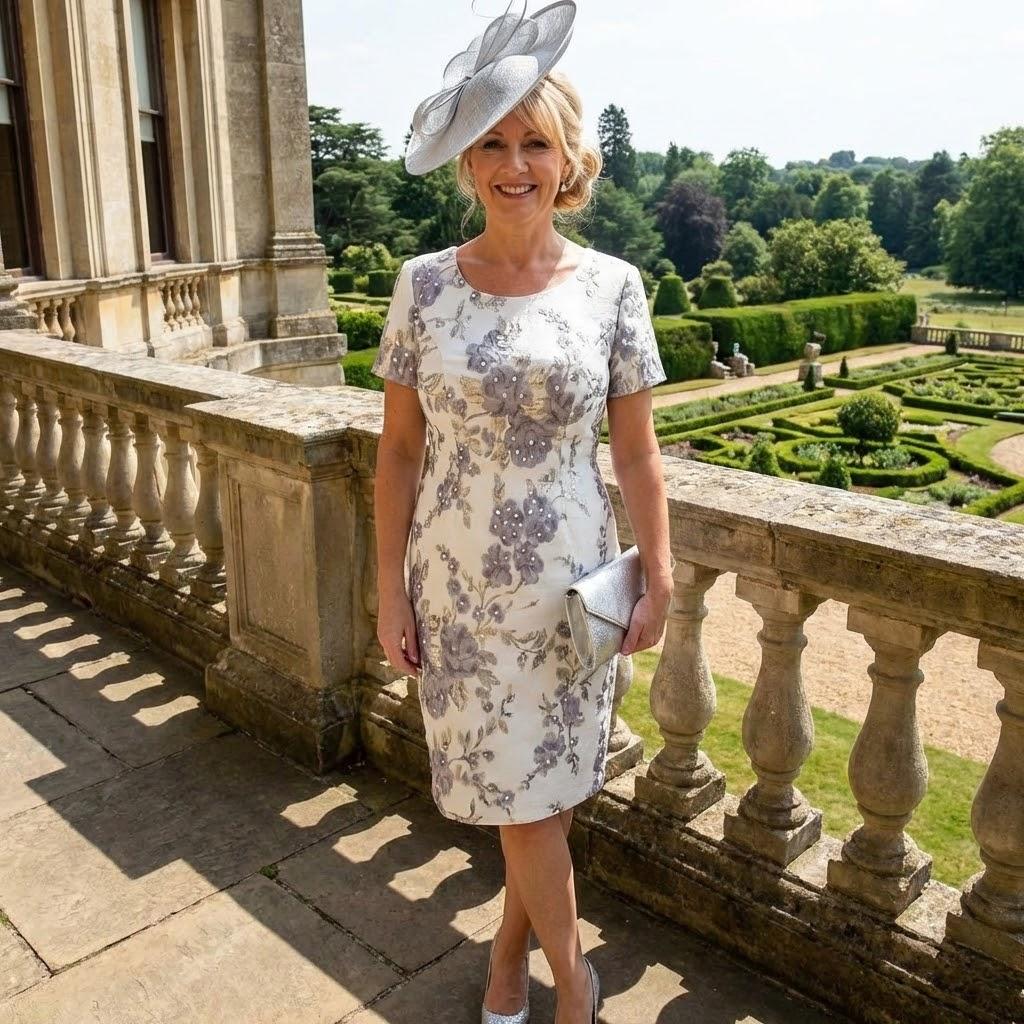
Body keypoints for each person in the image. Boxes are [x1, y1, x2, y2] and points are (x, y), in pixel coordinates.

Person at [371, 4, 673, 1021]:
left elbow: (635, 453)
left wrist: (659, 576)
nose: (514, 164)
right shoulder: (421, 289)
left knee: (543, 797)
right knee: (523, 801)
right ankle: (572, 991)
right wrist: (387, 590)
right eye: (493, 142)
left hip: (574, 588)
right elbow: (401, 451)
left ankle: (507, 963)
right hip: (456, 588)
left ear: (567, 158)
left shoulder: (615, 289)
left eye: (534, 142)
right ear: (464, 159)